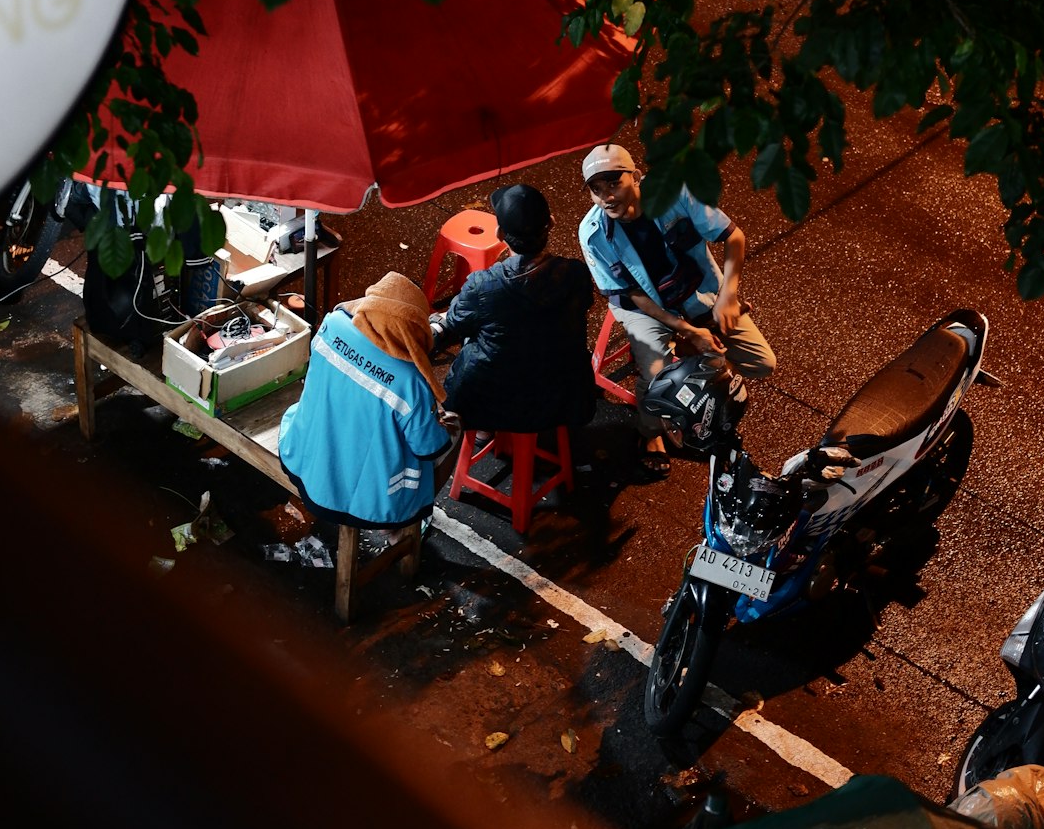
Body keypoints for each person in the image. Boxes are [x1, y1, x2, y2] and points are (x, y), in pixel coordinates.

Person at [577, 143, 775, 478]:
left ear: (636, 177)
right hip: (644, 308)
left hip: (698, 292)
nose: (606, 196)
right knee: (656, 376)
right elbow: (634, 295)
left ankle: (695, 376)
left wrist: (728, 294)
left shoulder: (677, 191)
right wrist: (686, 330)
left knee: (762, 362)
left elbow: (734, 237)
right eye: (597, 190)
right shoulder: (593, 233)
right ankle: (649, 434)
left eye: (614, 183)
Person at [278, 272, 460, 555]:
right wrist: (446, 426)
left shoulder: (332, 324)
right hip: (368, 500)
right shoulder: (410, 382)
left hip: (304, 454)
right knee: (453, 433)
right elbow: (428, 447)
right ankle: (398, 528)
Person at [431, 184, 596, 435]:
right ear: (551, 223)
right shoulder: (575, 273)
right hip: (563, 398)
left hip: (492, 403)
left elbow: (455, 323)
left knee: (470, 331)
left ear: (499, 234)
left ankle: (484, 431)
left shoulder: (483, 285)